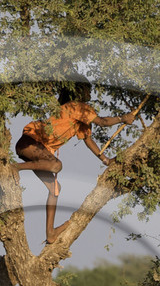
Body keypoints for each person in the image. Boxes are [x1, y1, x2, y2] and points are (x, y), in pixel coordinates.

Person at [10, 84, 139, 243]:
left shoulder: (80, 115)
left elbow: (88, 140)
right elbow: (102, 122)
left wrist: (105, 160)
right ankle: (15, 168)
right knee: (56, 166)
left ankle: (50, 233)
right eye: (87, 89)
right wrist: (122, 119)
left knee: (55, 189)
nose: (89, 92)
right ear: (78, 91)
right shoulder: (77, 106)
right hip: (30, 143)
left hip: (37, 152)